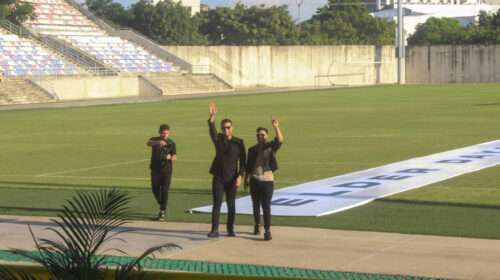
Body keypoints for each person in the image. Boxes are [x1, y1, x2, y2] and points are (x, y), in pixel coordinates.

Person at [207, 102, 246, 238]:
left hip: (232, 178)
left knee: (231, 205)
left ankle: (230, 229)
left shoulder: (239, 142)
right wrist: (212, 118)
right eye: (224, 128)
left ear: (232, 128)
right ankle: (214, 229)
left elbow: (243, 161)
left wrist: (240, 176)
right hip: (218, 176)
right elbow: (212, 131)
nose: (226, 130)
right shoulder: (218, 139)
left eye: (228, 128)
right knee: (217, 203)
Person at [245, 117, 284, 241]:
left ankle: (267, 230)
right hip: (255, 180)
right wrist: (246, 179)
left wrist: (276, 127)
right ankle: (257, 225)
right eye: (258, 135)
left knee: (266, 205)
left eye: (262, 135)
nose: (260, 137)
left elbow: (280, 140)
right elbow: (248, 166)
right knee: (255, 205)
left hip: (267, 181)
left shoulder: (270, 147)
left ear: (266, 136)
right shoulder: (251, 150)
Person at [146, 124, 177, 221]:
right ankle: (163, 204)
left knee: (164, 190)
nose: (165, 135)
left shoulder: (172, 143)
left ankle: (162, 211)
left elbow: (174, 156)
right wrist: (158, 142)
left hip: (166, 170)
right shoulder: (155, 140)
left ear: (169, 133)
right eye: (163, 133)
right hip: (155, 169)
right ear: (159, 132)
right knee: (155, 189)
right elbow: (148, 143)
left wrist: (170, 157)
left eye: (166, 133)